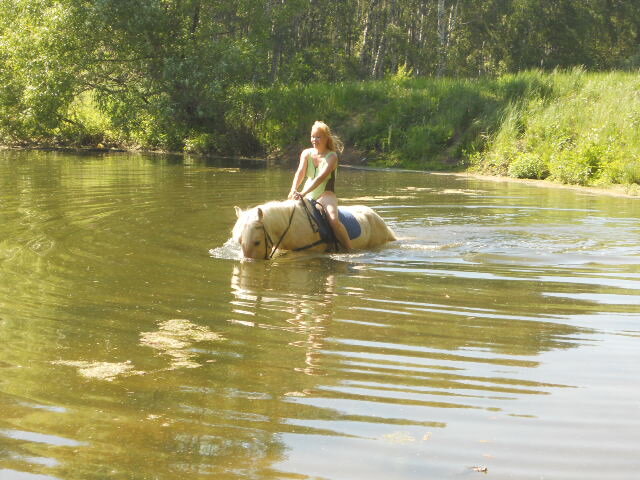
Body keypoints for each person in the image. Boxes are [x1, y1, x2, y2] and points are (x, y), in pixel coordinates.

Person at [288, 121, 352, 251]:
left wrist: (303, 193)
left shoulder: (332, 156)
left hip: (325, 195)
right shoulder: (306, 153)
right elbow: (300, 172)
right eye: (312, 136)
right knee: (288, 215)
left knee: (333, 220)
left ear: (326, 138)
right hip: (306, 193)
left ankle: (350, 250)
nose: (314, 140)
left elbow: (320, 178)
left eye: (318, 137)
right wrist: (293, 189)